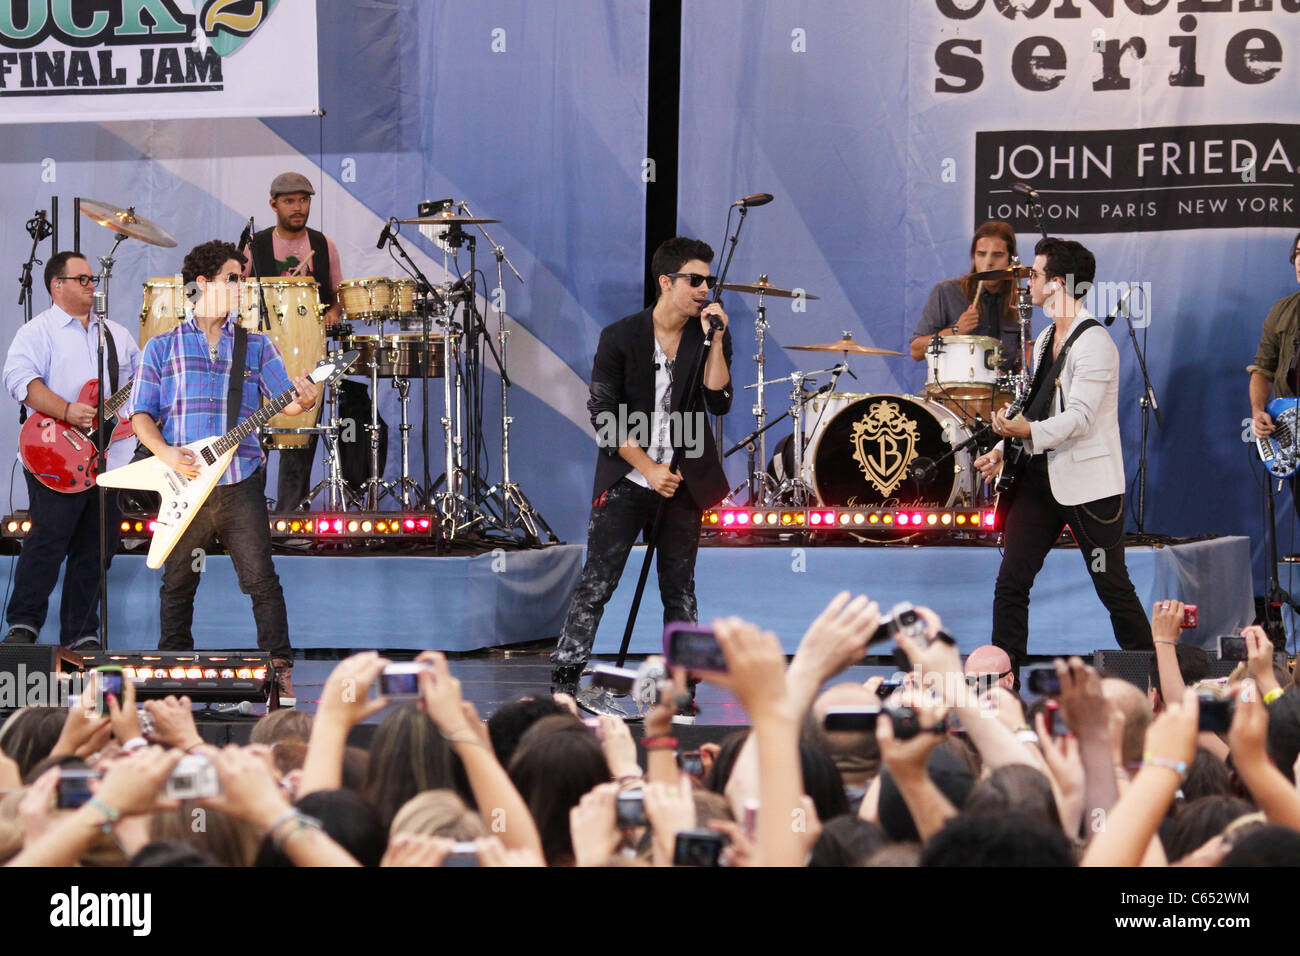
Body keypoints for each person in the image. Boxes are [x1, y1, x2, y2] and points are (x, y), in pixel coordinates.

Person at [128, 240, 318, 699]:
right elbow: (140, 415)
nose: (241, 286)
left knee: (260, 579)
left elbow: (288, 404)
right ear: (203, 284)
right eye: (233, 278)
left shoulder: (254, 345)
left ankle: (279, 673)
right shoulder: (161, 347)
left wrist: (306, 396)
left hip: (239, 483)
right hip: (183, 483)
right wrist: (166, 453)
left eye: (242, 278)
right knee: (177, 582)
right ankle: (173, 674)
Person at [549, 237, 733, 704]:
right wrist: (649, 469)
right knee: (598, 581)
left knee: (679, 587)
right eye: (695, 280)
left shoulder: (704, 334)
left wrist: (715, 342)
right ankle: (566, 680)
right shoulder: (621, 336)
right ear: (666, 282)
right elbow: (602, 415)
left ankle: (684, 685)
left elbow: (718, 401)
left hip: (684, 474)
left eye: (708, 281)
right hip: (630, 475)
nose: (704, 289)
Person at [974, 237, 1153, 676]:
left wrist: (1028, 431)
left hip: (1087, 486)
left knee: (1113, 587)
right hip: (1038, 478)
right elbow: (1034, 405)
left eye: (1034, 275)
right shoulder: (1051, 334)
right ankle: (1004, 679)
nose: (1027, 283)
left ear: (1056, 283)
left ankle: (1156, 679)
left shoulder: (1094, 343)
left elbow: (1080, 419)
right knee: (1011, 581)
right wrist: (1002, 448)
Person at [2, 252, 140, 650]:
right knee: (48, 540)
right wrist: (66, 410)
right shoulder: (38, 331)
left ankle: (82, 633)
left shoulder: (114, 334)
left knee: (97, 549)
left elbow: (138, 387)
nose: (90, 283)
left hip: (109, 459)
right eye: (81, 278)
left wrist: (128, 413)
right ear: (56, 285)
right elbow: (20, 380)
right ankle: (23, 625)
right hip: (54, 453)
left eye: (92, 277)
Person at [242, 171, 342, 513]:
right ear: (273, 204)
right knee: (258, 431)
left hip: (309, 348)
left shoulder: (323, 244)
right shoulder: (255, 245)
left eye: (303, 200)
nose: (298, 207)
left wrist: (334, 313)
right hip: (262, 350)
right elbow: (239, 293)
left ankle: (288, 517)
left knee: (300, 427)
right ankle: (249, 515)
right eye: (289, 201)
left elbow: (336, 294)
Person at [909, 220, 1025, 370]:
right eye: (981, 254)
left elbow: (1023, 352)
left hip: (1002, 391)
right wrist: (956, 330)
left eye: (997, 255)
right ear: (973, 257)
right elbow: (915, 351)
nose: (988, 262)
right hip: (951, 391)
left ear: (1010, 259)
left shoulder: (1018, 299)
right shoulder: (946, 292)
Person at [1248, 230, 1300, 449]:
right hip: (1293, 441)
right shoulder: (1282, 310)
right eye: (1298, 253)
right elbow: (1263, 371)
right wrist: (1258, 411)